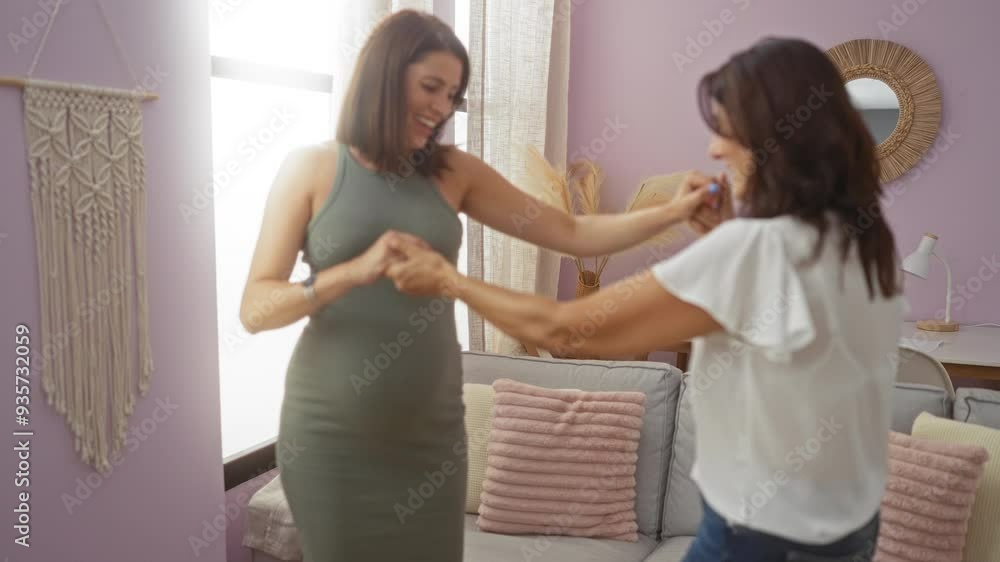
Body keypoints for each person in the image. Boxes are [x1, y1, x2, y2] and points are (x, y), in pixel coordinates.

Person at [385, 37, 903, 562]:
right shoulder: (864, 244)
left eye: (727, 131)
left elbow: (566, 332)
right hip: (849, 532)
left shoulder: (755, 251)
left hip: (758, 538)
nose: (714, 150)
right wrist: (722, 239)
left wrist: (449, 280)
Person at [238, 10, 717, 561]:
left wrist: (673, 212)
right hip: (332, 429)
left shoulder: (453, 172)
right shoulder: (311, 168)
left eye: (452, 95)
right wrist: (352, 272)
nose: (442, 108)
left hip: (431, 431)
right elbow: (256, 307)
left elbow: (572, 231)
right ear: (385, 74)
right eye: (430, 87)